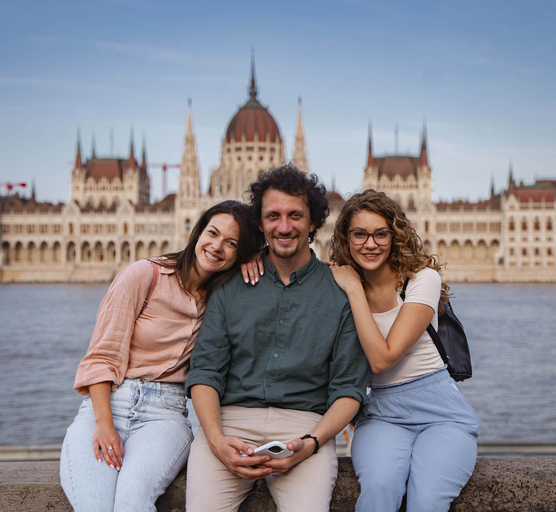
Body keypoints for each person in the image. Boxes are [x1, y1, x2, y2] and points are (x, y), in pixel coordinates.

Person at [184, 164, 370, 512]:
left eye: (295, 215)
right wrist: (215, 439)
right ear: (260, 223)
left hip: (306, 425)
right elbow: (205, 371)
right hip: (229, 422)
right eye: (273, 216)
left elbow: (349, 388)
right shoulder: (230, 285)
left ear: (313, 222)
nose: (284, 227)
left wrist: (311, 443)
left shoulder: (340, 291)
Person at [60, 200, 262, 512]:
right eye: (212, 233)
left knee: (132, 502)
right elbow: (101, 358)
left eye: (231, 243)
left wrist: (257, 258)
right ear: (197, 233)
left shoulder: (225, 298)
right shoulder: (143, 276)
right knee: (94, 506)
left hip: (165, 414)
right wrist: (104, 424)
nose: (217, 246)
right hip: (108, 403)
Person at [328, 189, 479, 512]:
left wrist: (354, 289)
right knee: (378, 493)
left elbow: (383, 358)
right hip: (381, 415)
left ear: (395, 236)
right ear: (346, 238)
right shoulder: (335, 285)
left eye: (381, 234)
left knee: (426, 500)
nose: (370, 244)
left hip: (442, 417)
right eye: (360, 234)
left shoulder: (422, 280)